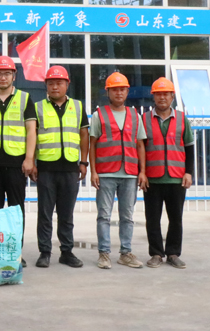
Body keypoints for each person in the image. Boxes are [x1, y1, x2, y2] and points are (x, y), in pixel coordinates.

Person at [89, 72, 148, 270]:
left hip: (129, 173)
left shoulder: (135, 115)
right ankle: (104, 253)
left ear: (127, 91)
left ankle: (125, 253)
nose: (119, 93)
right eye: (114, 89)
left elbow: (140, 145)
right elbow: (92, 144)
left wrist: (142, 171)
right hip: (106, 173)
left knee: (127, 217)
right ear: (108, 92)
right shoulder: (99, 115)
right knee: (104, 216)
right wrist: (93, 171)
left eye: (122, 89)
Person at [0, 56, 37, 267]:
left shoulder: (25, 98)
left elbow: (31, 131)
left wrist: (29, 158)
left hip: (16, 163)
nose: (3, 77)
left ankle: (15, 253)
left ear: (14, 76)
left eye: (7, 73)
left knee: (16, 209)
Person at [33, 65, 89, 269]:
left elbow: (84, 135)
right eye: (51, 83)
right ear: (46, 86)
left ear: (67, 84)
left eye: (59, 83)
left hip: (70, 168)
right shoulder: (38, 107)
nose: (55, 87)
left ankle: (66, 252)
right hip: (46, 168)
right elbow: (32, 136)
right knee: (45, 214)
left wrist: (83, 162)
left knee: (66, 214)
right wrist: (33, 162)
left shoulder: (78, 106)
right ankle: (44, 252)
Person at [142, 77, 195, 269]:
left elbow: (189, 147)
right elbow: (140, 148)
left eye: (166, 94)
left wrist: (189, 172)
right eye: (158, 94)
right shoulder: (144, 119)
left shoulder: (182, 119)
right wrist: (142, 172)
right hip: (152, 178)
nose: (162, 97)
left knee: (176, 219)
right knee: (152, 219)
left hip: (176, 178)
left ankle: (173, 253)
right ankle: (156, 253)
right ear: (153, 97)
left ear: (172, 96)